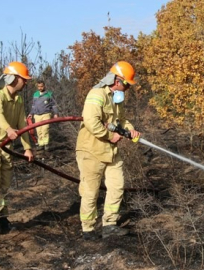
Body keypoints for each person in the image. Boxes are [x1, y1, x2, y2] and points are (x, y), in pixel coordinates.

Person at [76, 61, 141, 240]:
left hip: (110, 151)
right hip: (91, 150)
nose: (127, 88)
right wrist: (110, 136)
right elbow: (90, 121)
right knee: (91, 191)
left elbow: (121, 120)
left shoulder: (117, 98)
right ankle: (88, 229)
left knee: (117, 185)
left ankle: (109, 224)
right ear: (117, 80)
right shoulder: (97, 94)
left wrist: (131, 129)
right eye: (126, 84)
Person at [0, 61, 34, 235]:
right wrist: (9, 130)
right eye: (23, 79)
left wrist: (27, 148)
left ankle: (2, 216)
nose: (25, 83)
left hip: (5, 146)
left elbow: (22, 124)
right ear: (12, 79)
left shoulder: (18, 100)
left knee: (4, 183)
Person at [27, 80, 59, 151]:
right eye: (38, 86)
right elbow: (33, 105)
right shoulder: (35, 94)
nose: (40, 88)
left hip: (46, 114)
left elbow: (53, 105)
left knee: (45, 129)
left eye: (41, 86)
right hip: (37, 115)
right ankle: (41, 144)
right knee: (38, 130)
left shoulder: (49, 94)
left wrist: (56, 113)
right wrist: (31, 113)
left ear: (44, 86)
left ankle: (46, 144)